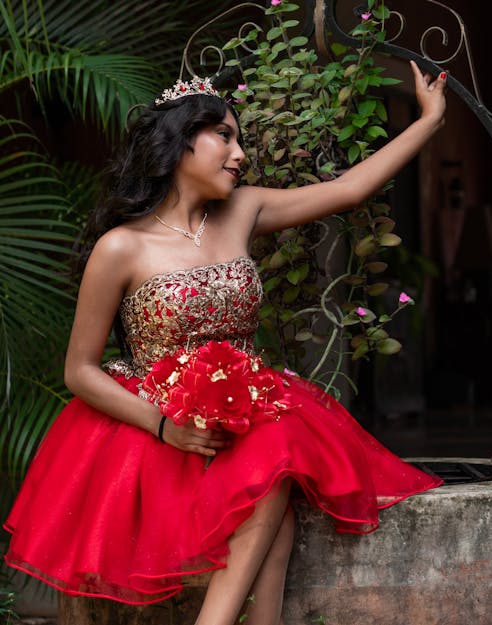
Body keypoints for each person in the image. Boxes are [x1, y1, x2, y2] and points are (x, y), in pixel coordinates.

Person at [4, 61, 446, 625]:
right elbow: (80, 371)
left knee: (276, 452)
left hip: (253, 415)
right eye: (226, 137)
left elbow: (349, 190)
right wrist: (167, 427)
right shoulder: (121, 248)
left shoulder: (243, 209)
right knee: (276, 497)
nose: (241, 154)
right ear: (181, 143)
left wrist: (429, 120)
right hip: (162, 429)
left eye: (241, 141)